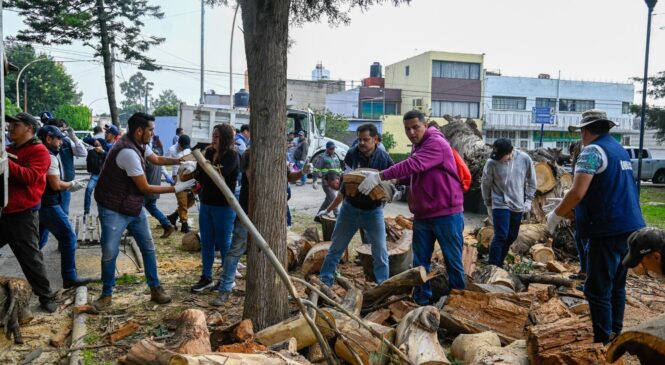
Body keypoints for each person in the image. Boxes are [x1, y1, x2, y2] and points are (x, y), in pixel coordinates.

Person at [546, 109, 645, 344]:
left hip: (607, 230)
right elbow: (607, 188)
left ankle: (603, 342)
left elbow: (578, 192)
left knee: (596, 288)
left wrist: (556, 214)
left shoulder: (591, 152)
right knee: (617, 284)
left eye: (581, 131)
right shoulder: (619, 150)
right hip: (630, 226)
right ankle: (615, 332)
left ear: (586, 130)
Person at [357, 110, 466, 305]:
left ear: (425, 125)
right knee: (419, 262)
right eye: (407, 129)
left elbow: (413, 165)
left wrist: (381, 176)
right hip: (423, 214)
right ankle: (421, 301)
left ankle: (459, 304)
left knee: (453, 261)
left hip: (446, 213)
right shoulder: (418, 146)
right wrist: (396, 184)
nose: (411, 132)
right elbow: (414, 173)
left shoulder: (436, 143)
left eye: (416, 127)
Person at [92, 112, 196, 310]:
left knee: (148, 247)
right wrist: (176, 188)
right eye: (150, 130)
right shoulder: (127, 152)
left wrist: (179, 161)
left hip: (132, 205)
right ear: (139, 131)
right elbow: (146, 188)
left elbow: (155, 159)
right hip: (113, 208)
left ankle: (155, 288)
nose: (153, 133)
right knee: (109, 252)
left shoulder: (140, 144)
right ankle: (106, 294)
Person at [212, 149, 312, 305]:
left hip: (272, 215)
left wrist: (302, 172)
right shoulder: (249, 154)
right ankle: (224, 290)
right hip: (248, 213)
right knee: (235, 251)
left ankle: (275, 291)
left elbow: (289, 177)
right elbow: (254, 180)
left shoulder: (278, 154)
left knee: (273, 253)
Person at [317, 123, 394, 287]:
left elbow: (394, 181)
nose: (362, 144)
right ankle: (325, 281)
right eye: (359, 140)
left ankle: (383, 285)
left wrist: (389, 192)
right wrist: (329, 209)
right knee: (336, 247)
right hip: (349, 210)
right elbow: (344, 186)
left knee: (380, 251)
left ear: (376, 140)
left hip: (374, 212)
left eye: (366, 140)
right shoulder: (352, 154)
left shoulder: (384, 158)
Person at [3, 113, 57, 312]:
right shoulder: (9, 149)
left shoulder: (39, 151)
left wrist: (5, 161)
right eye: (10, 125)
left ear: (29, 128)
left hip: (23, 214)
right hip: (4, 211)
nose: (10, 128)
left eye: (16, 125)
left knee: (30, 258)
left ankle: (46, 295)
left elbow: (31, 177)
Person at [37, 125, 91, 288]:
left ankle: (35, 274)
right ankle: (69, 277)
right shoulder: (49, 156)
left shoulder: (45, 152)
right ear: (48, 138)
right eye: (58, 138)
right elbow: (54, 184)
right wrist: (71, 184)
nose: (61, 141)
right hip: (48, 204)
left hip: (41, 203)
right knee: (68, 237)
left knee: (37, 241)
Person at [190, 124, 239, 293]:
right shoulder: (209, 152)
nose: (213, 139)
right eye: (213, 135)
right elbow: (199, 173)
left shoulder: (232, 155)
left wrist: (204, 165)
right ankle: (206, 278)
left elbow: (218, 175)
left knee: (224, 244)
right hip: (206, 203)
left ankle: (227, 279)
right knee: (207, 242)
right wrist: (195, 182)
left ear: (225, 138)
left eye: (217, 136)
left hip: (224, 206)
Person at [481, 138, 537, 268]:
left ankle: (499, 263)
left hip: (517, 202)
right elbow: (486, 183)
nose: (499, 159)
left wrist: (528, 200)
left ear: (511, 151)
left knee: (511, 236)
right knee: (501, 234)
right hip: (499, 202)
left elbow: (532, 181)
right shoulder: (491, 163)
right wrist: (487, 202)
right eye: (497, 156)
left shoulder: (524, 159)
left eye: (502, 156)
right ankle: (492, 266)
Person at [39, 118, 87, 249]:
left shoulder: (65, 142)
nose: (61, 137)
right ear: (49, 135)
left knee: (61, 215)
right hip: (51, 190)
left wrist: (74, 137)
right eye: (58, 131)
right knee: (64, 231)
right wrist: (71, 184)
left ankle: (60, 245)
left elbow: (83, 152)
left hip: (64, 186)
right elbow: (54, 184)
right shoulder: (44, 151)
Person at [166, 134, 195, 232]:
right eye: (183, 146)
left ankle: (173, 217)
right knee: (182, 201)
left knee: (190, 201)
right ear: (179, 143)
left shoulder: (188, 150)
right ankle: (184, 225)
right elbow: (163, 164)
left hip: (187, 176)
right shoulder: (171, 150)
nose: (184, 148)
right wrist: (168, 176)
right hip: (176, 177)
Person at [312, 141, 343, 219]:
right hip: (327, 183)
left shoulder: (335, 156)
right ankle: (337, 216)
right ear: (327, 148)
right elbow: (316, 169)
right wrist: (314, 181)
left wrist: (341, 179)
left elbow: (339, 169)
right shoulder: (322, 157)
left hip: (335, 182)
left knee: (328, 201)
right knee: (334, 199)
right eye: (331, 148)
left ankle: (318, 216)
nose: (333, 150)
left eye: (334, 148)